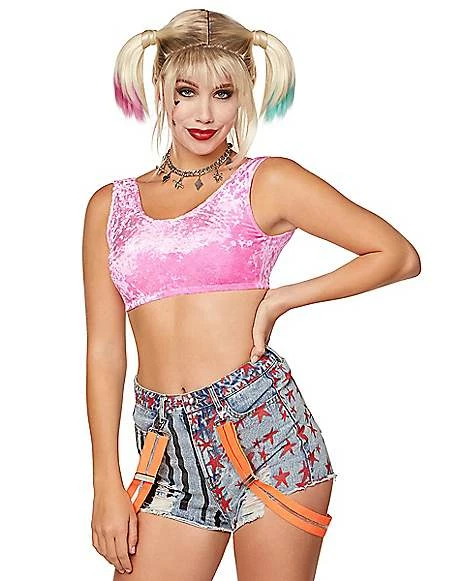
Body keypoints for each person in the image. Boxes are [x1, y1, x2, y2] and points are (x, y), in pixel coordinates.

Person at [82, 8, 421, 580]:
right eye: (187, 92)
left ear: (244, 96)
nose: (205, 113)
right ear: (161, 90)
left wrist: (282, 298)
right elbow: (104, 351)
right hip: (165, 450)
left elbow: (397, 255)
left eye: (224, 93)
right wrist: (105, 483)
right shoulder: (109, 207)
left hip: (266, 433)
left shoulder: (268, 181)